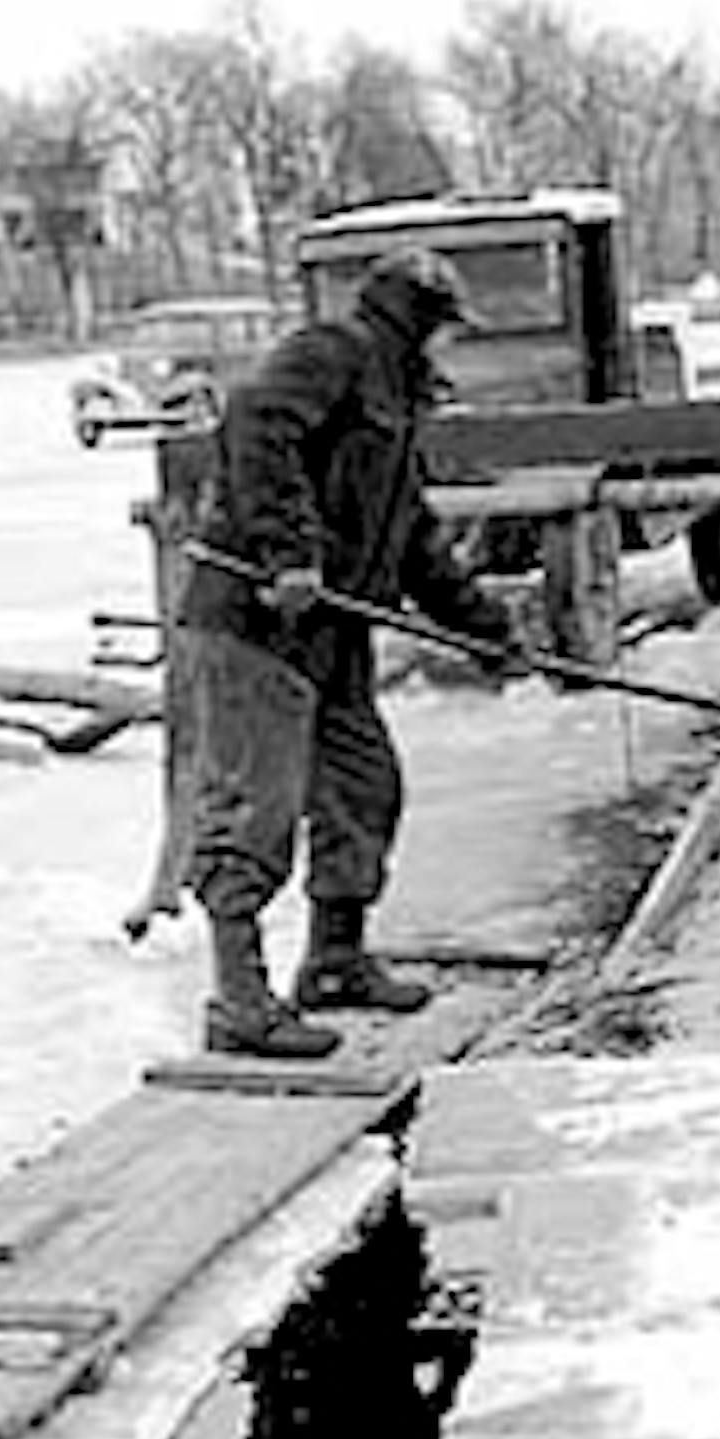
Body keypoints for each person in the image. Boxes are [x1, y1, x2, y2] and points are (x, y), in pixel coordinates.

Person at [170, 244, 519, 1060]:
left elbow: (414, 542)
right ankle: (239, 1004)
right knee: (255, 810)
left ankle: (333, 959)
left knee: (363, 786)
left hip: (331, 635)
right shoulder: (334, 353)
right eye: (446, 333)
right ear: (416, 321)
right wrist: (289, 553)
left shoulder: (396, 405)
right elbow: (255, 422)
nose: (451, 350)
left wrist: (490, 633)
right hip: (255, 624)